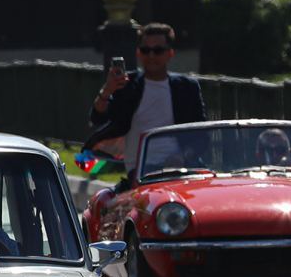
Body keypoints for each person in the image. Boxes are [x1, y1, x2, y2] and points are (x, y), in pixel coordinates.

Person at [85, 22, 206, 178]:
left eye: (158, 51)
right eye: (145, 50)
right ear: (138, 53)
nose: (151, 56)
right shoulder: (127, 85)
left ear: (170, 53)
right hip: (141, 172)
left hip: (181, 169)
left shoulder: (187, 88)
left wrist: (183, 156)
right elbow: (97, 117)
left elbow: (202, 135)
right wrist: (107, 90)